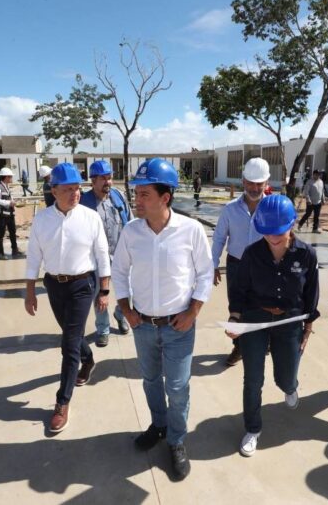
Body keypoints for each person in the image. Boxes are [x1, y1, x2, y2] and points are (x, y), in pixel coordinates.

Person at [112, 158, 213, 480]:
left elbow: (205, 273)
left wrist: (193, 311)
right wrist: (126, 310)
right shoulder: (131, 232)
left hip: (178, 326)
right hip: (143, 325)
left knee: (179, 387)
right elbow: (119, 272)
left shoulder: (191, 230)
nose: (136, 200)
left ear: (164, 197)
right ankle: (158, 425)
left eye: (144, 195)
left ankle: (177, 440)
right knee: (151, 381)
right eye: (136, 194)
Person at [226, 195, 320, 457]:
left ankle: (290, 387)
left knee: (285, 376)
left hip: (289, 322)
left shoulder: (306, 254)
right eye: (267, 232)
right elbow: (239, 290)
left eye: (279, 231)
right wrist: (235, 318)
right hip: (255, 320)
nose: (273, 238)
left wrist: (307, 329)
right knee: (253, 379)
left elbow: (311, 295)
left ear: (291, 224)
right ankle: (253, 429)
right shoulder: (251, 254)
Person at [25, 163, 111, 434]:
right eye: (68, 189)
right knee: (69, 335)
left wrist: (105, 290)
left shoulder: (89, 217)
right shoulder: (42, 219)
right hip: (53, 285)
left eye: (77, 188)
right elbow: (33, 256)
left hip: (82, 285)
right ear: (54, 191)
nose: (75, 194)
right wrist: (29, 290)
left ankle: (62, 402)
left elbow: (102, 253)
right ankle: (88, 359)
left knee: (68, 344)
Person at [212, 158, 270, 367]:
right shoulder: (230, 209)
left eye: (259, 183)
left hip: (265, 266)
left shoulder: (272, 207)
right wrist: (213, 265)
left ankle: (262, 343)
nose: (255, 188)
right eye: (251, 182)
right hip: (236, 265)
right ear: (243, 181)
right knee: (237, 307)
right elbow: (219, 237)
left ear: (267, 183)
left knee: (264, 306)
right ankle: (239, 346)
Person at [79, 160, 133, 347]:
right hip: (96, 259)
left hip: (121, 255)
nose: (108, 182)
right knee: (99, 295)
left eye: (109, 178)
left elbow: (130, 221)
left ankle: (120, 314)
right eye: (103, 178)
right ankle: (103, 329)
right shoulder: (83, 202)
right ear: (93, 181)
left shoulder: (118, 196)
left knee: (130, 293)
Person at [0, 167, 22, 260]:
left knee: (13, 231)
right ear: (6, 177)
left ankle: (15, 249)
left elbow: (8, 198)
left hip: (10, 212)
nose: (11, 178)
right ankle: (1, 253)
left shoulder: (7, 186)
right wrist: (8, 203)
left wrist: (14, 202)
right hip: (2, 214)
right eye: (10, 176)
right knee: (1, 233)